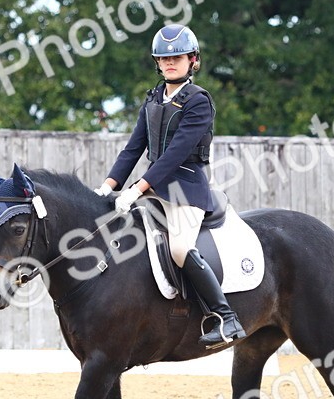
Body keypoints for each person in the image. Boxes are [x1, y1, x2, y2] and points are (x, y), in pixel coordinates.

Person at [96, 23, 246, 348]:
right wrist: (108, 186)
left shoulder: (199, 101)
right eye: (164, 59)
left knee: (179, 249)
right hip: (154, 188)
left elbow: (175, 155)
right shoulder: (153, 98)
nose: (169, 63)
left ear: (192, 60)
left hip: (186, 190)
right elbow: (133, 148)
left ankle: (226, 317)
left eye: (176, 58)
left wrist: (136, 189)